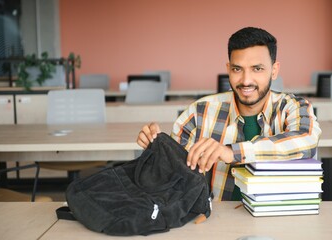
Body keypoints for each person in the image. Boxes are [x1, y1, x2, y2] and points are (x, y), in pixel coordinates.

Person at [136, 27, 322, 201]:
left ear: (274, 71)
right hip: (215, 221)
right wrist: (156, 149)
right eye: (237, 69)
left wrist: (231, 152)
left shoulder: (294, 107)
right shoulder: (199, 112)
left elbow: (306, 141)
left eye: (257, 69)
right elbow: (172, 176)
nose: (246, 80)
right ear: (228, 69)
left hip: (278, 218)